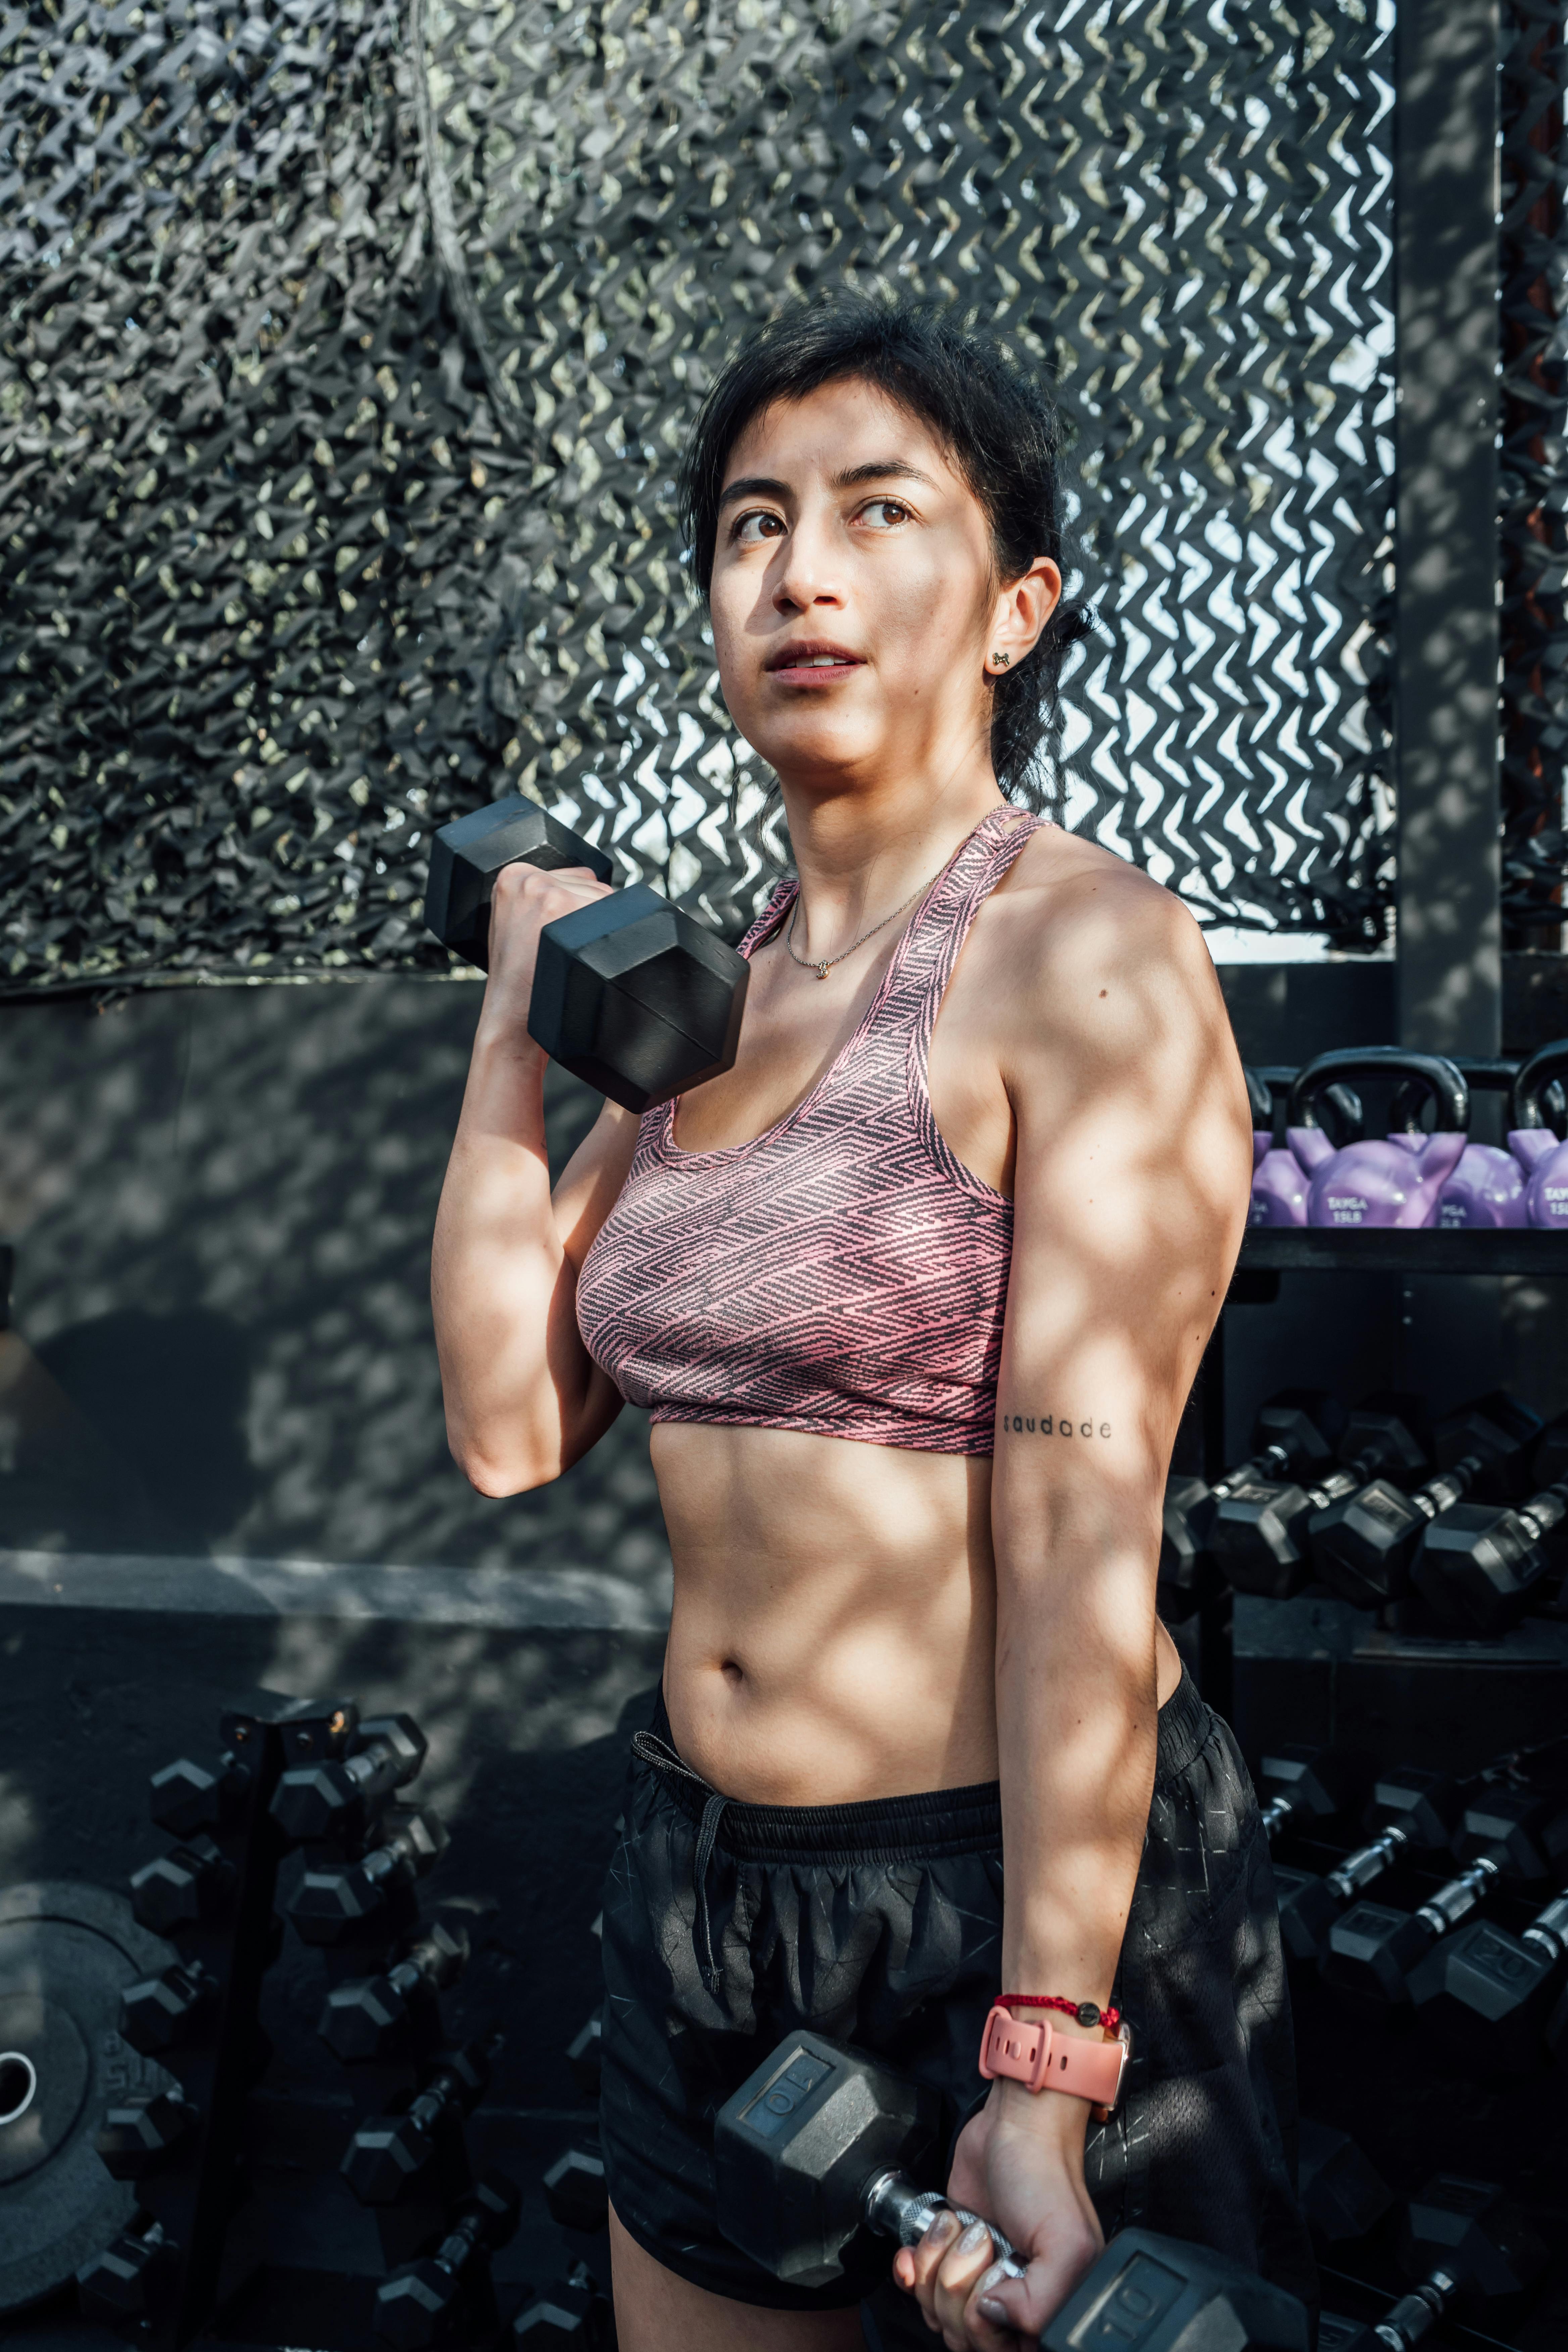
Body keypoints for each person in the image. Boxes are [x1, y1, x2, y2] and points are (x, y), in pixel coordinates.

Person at [431, 298, 1315, 2352]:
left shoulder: (1079, 962)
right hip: (700, 1880)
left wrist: (1042, 2061)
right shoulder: (708, 1005)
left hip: (1005, 1893)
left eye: (874, 512)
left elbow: (1081, 1549)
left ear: (1013, 610)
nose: (799, 572)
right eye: (752, 525)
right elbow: (502, 1423)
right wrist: (512, 1016)